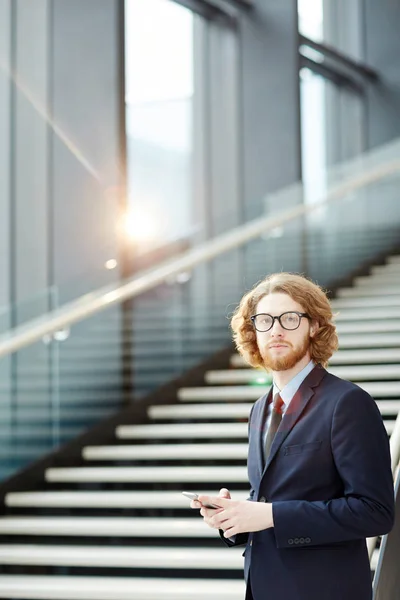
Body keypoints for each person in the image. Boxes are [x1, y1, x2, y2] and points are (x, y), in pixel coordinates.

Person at [191, 272, 395, 600]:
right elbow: (273, 501)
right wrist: (236, 517)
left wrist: (269, 514)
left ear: (314, 325)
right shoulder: (260, 408)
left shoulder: (347, 402)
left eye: (289, 318)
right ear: (252, 332)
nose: (276, 330)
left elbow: (375, 512)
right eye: (264, 320)